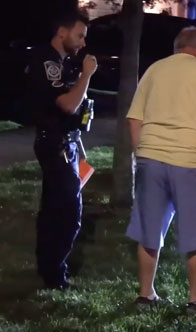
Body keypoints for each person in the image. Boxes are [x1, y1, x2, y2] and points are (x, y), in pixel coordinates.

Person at [126, 27, 196, 312]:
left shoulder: (154, 70)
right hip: (191, 159)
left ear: (177, 48)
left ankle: (146, 295)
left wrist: (142, 155)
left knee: (149, 230)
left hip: (150, 158)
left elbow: (134, 119)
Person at [28, 11, 97, 290]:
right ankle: (56, 275)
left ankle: (50, 270)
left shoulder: (61, 62)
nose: (82, 43)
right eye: (79, 35)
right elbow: (67, 104)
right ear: (62, 32)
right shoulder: (48, 62)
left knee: (54, 209)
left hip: (64, 142)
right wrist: (87, 75)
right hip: (55, 144)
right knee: (67, 211)